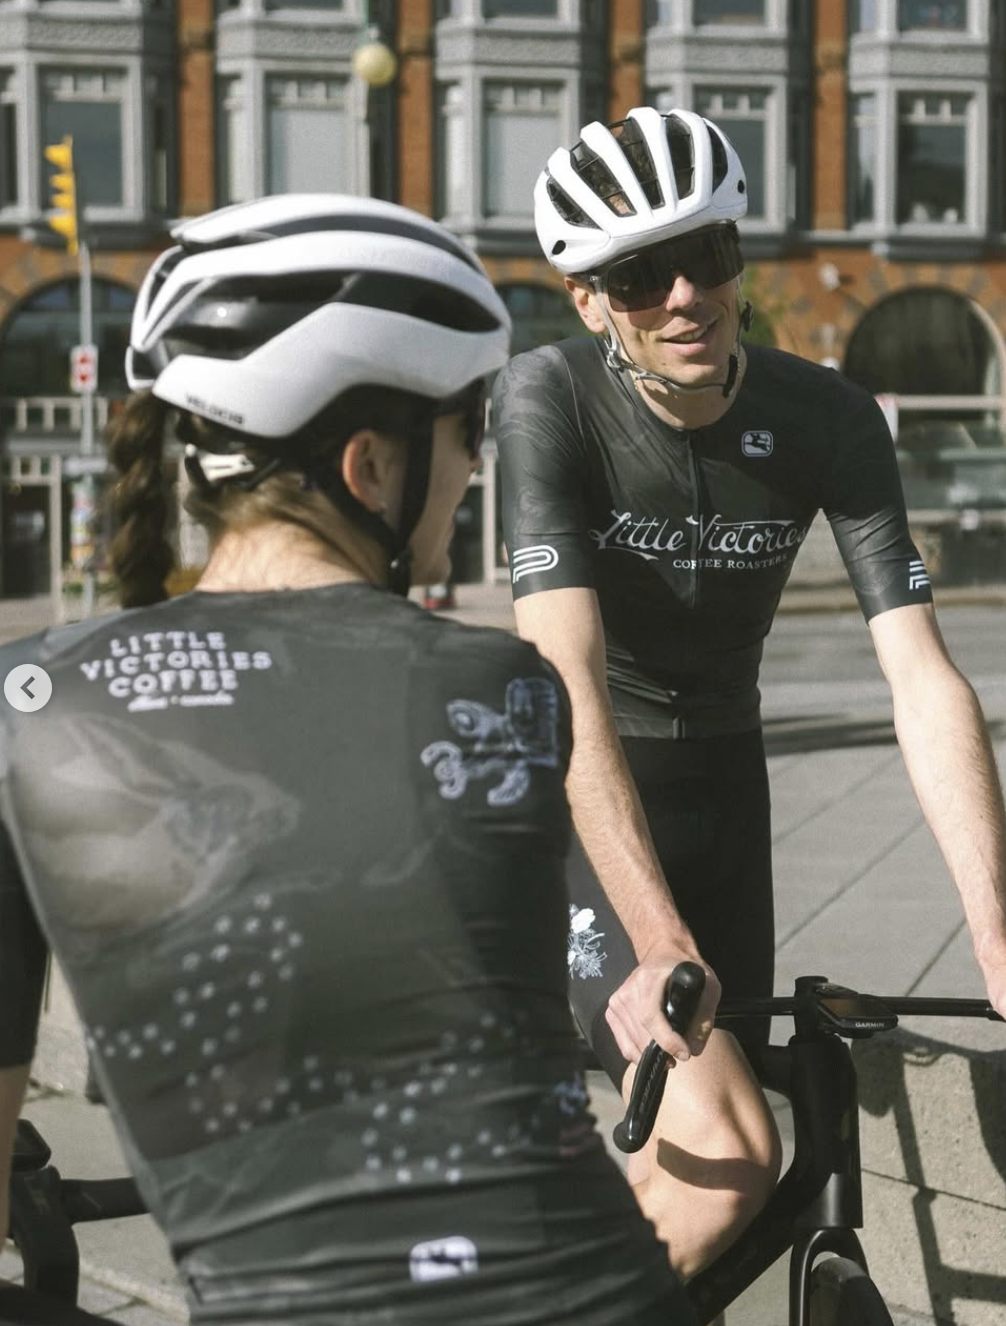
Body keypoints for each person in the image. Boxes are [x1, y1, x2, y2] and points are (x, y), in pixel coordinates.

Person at [0, 196, 696, 1326]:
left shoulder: (22, 708)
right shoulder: (500, 686)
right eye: (469, 433)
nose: (475, 469)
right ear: (370, 465)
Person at [493, 105, 1006, 1283]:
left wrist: (992, 929)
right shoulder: (545, 398)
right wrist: (656, 935)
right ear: (587, 299)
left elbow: (922, 676)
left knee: (708, 1187)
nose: (684, 296)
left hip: (726, 794)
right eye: (639, 275)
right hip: (587, 806)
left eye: (706, 254)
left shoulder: (824, 414)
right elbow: (564, 682)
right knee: (726, 1146)